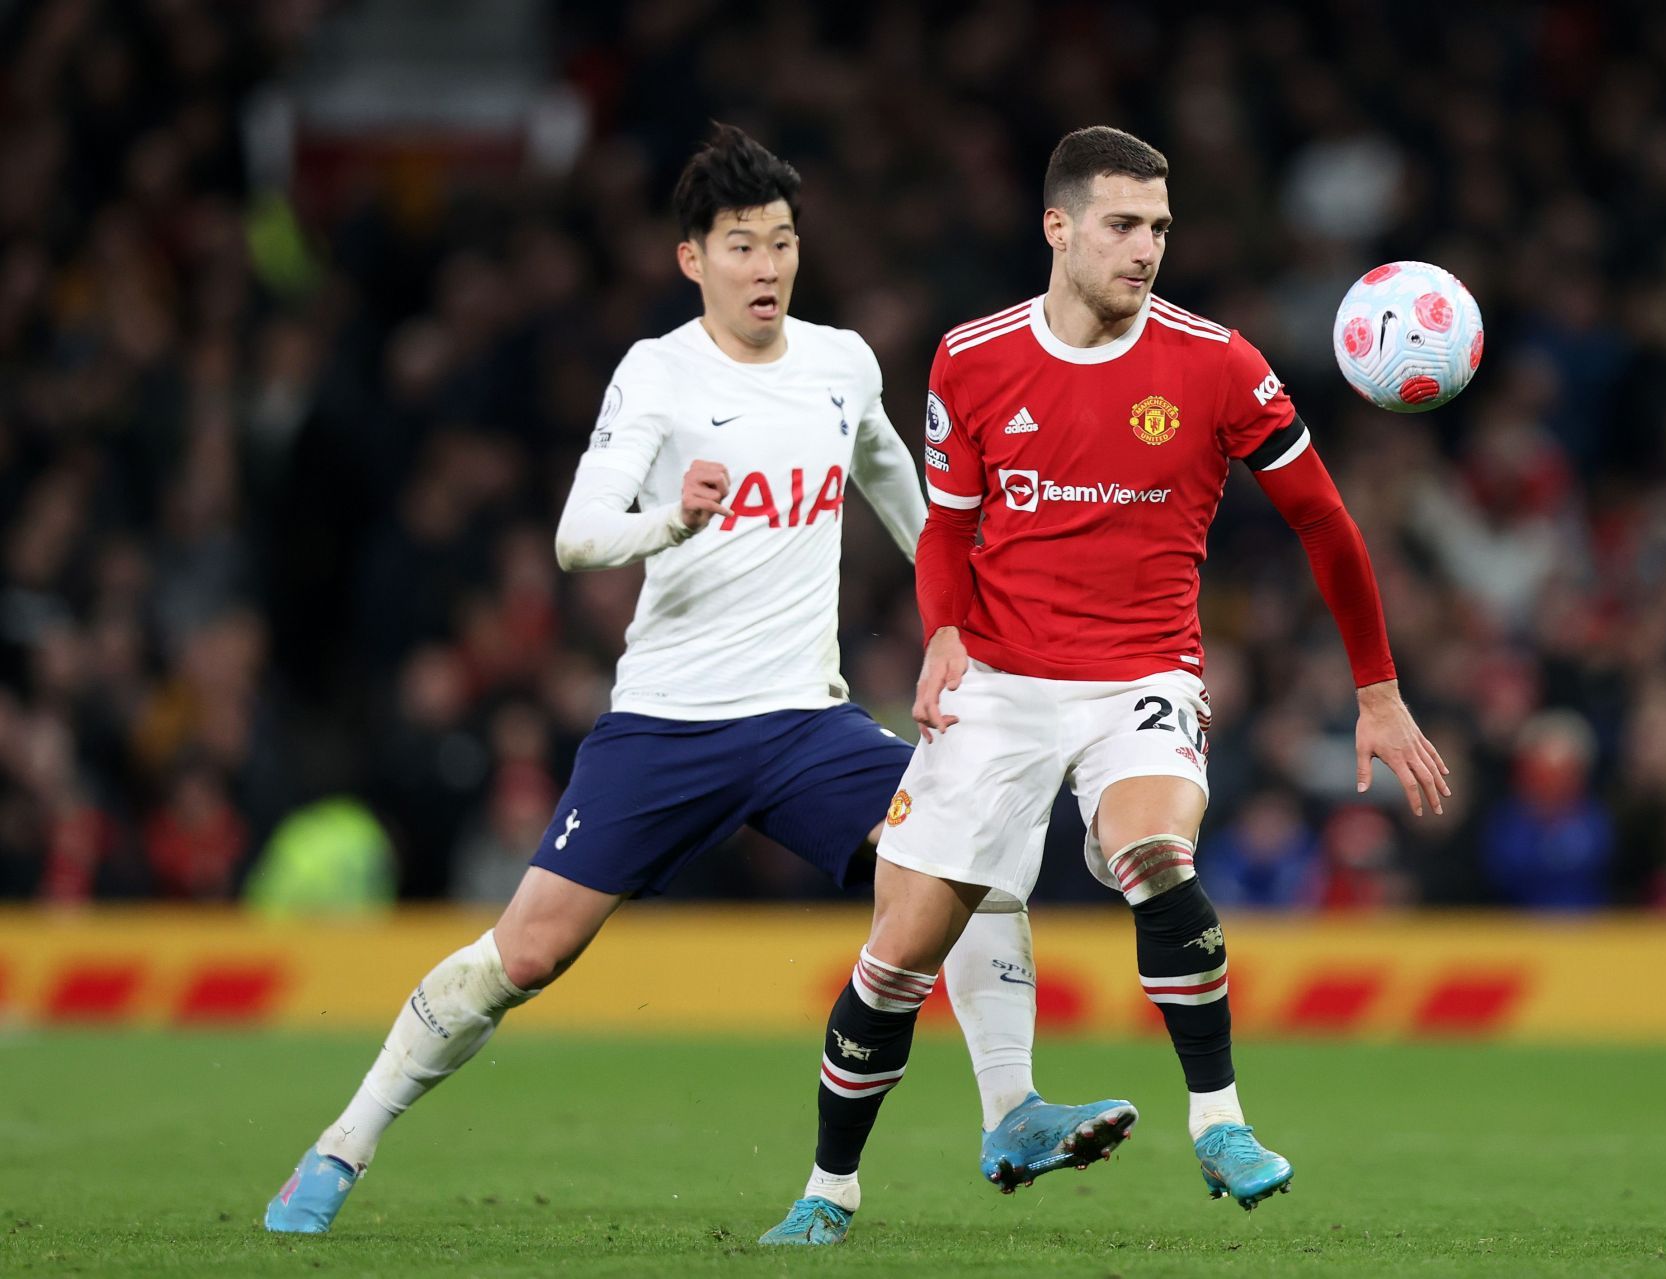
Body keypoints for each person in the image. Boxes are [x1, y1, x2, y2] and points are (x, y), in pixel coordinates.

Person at [265, 124, 1132, 1235]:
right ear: (692, 259)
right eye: (740, 246)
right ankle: (343, 1143)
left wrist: (955, 617)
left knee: (967, 853)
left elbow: (902, 491)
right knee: (525, 953)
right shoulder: (658, 374)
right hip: (668, 727)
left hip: (805, 722)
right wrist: (672, 515)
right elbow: (579, 537)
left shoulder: (841, 363)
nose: (766, 267)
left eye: (781, 243)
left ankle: (1011, 1113)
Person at [761, 126, 1449, 1246]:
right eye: (1124, 226)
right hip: (996, 682)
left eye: (1161, 229)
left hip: (1144, 673)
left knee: (1154, 853)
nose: (1146, 249)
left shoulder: (1218, 363)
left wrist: (1377, 689)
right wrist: (940, 633)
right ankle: (827, 1191)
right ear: (1060, 227)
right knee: (898, 956)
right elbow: (948, 523)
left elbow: (1324, 521)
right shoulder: (971, 358)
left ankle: (1220, 1123)